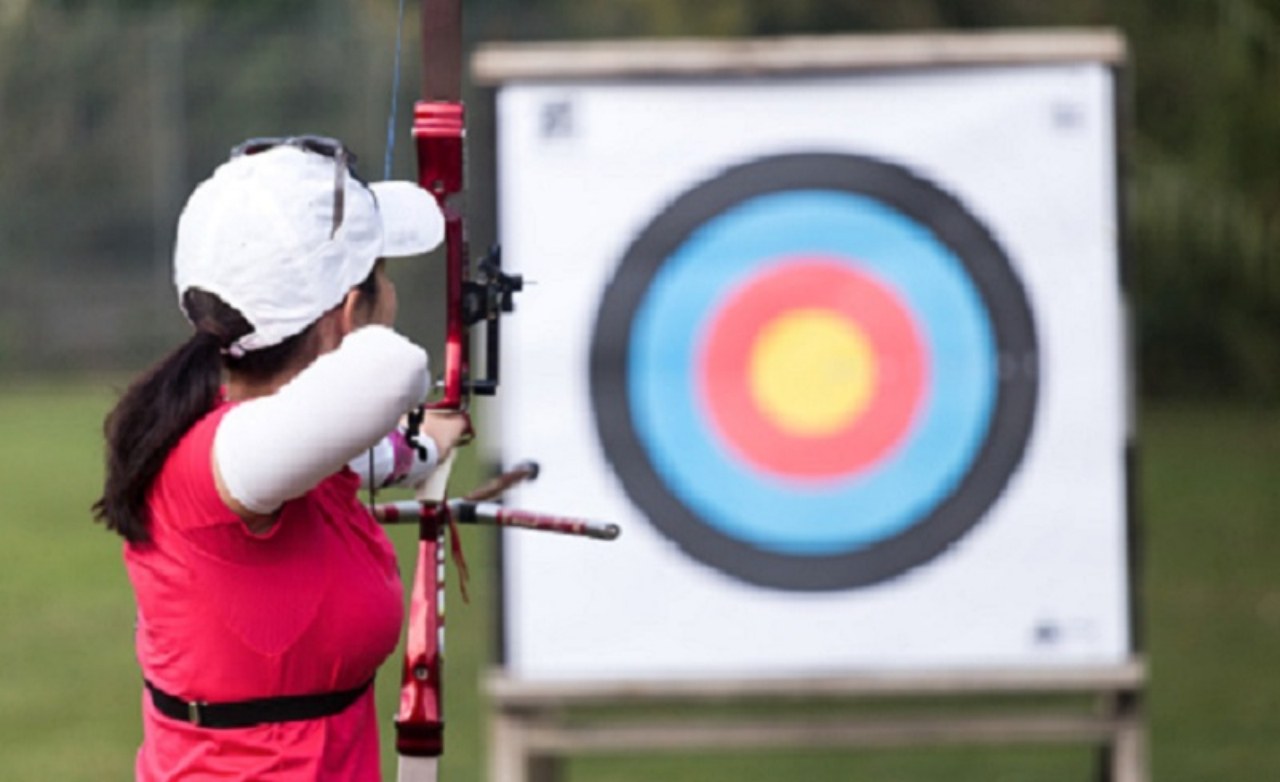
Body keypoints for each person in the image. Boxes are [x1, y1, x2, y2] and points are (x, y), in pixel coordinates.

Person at [93, 136, 470, 781]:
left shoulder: (287, 450)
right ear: (348, 311)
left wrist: (427, 442)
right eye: (380, 276)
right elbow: (391, 371)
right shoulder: (223, 458)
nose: (390, 294)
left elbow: (364, 455)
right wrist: (369, 351)